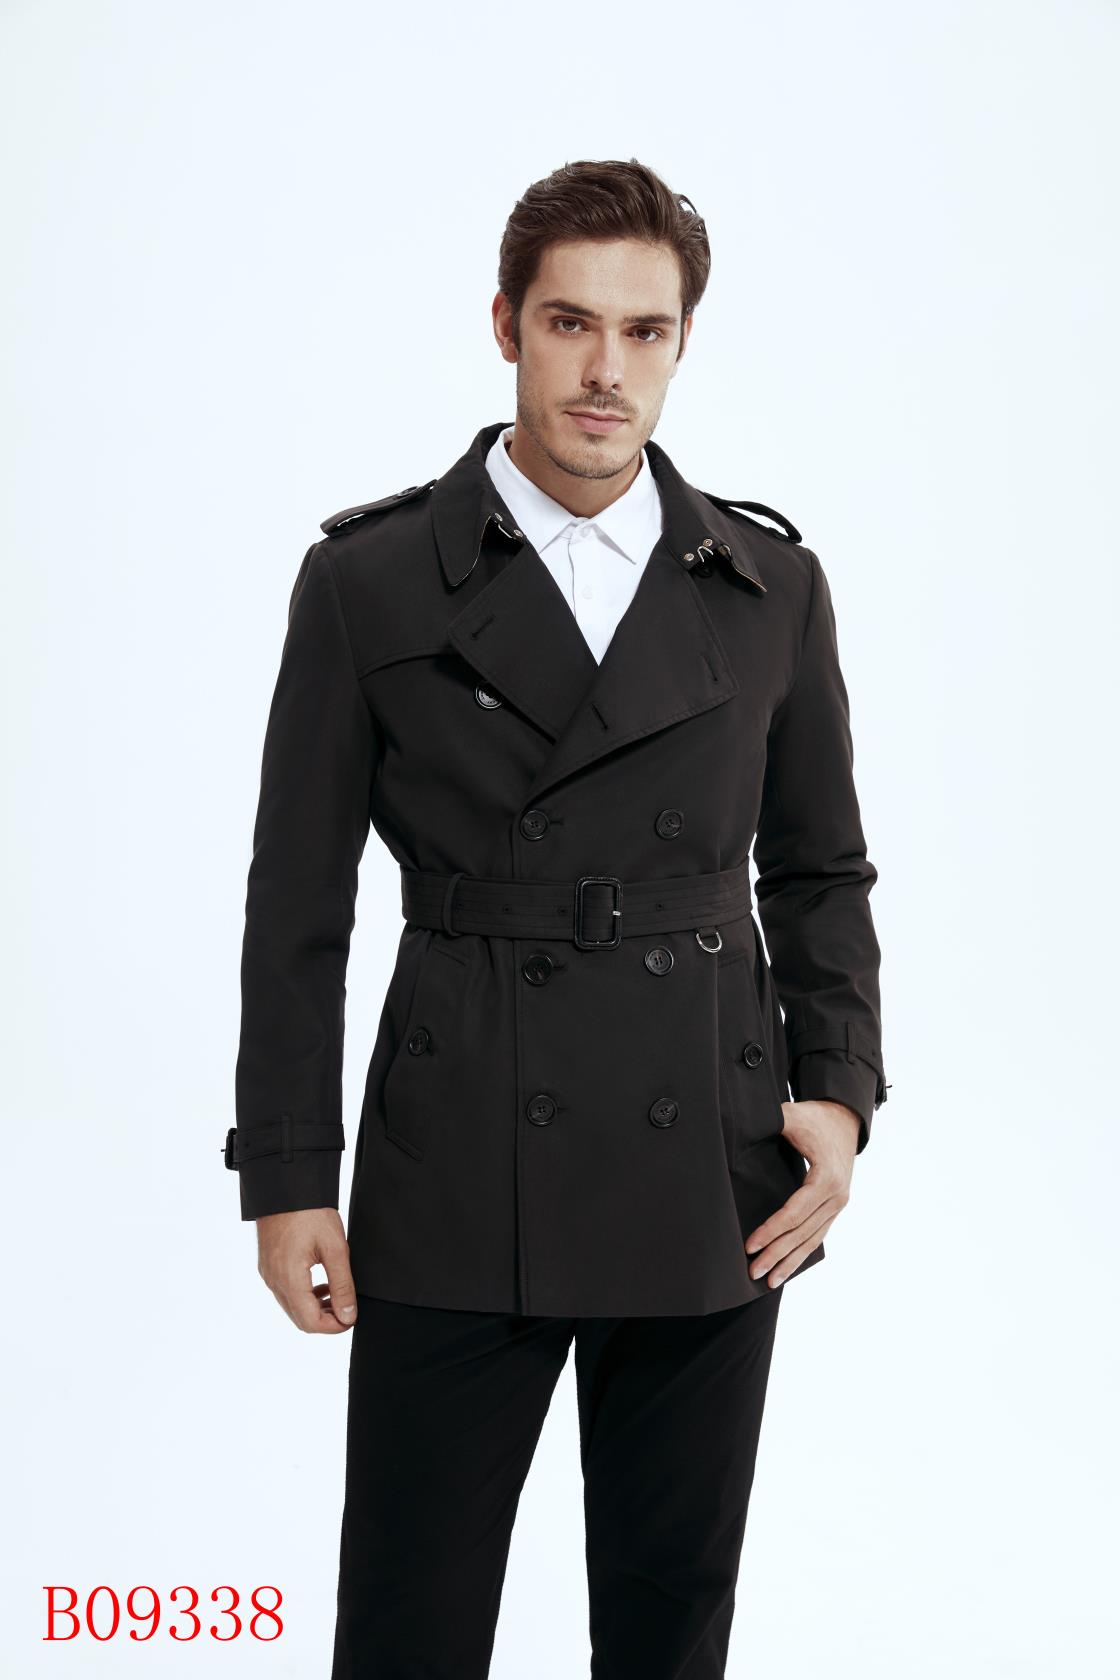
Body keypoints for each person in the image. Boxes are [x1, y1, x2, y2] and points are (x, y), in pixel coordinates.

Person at [225, 157, 889, 1679]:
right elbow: (296, 902)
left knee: (670, 1624)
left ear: (682, 343)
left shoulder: (769, 586)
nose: (606, 371)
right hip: (458, 1157)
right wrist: (287, 1172)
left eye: (644, 332)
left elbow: (821, 869)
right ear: (507, 326)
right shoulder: (370, 582)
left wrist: (842, 1092)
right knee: (409, 1626)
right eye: (570, 323)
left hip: (709, 1170)